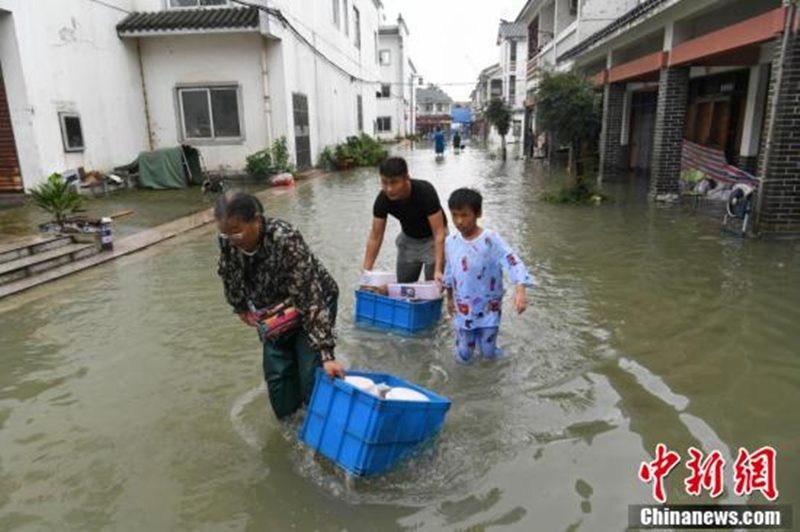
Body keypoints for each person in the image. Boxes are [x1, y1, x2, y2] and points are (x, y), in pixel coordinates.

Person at [215, 191, 344, 420]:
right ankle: (292, 432)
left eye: (237, 231)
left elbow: (310, 296)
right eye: (225, 234)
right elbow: (228, 271)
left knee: (310, 375)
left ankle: (321, 426)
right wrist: (240, 306)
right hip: (273, 313)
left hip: (310, 304)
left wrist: (326, 353)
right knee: (279, 382)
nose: (232, 239)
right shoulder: (227, 240)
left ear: (256, 219)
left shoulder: (284, 237)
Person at [443, 188, 534, 363]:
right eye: (454, 215)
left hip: (488, 307)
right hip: (463, 307)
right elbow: (450, 270)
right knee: (464, 353)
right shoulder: (451, 242)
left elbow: (513, 261)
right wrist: (449, 299)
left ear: (478, 214)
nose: (459, 221)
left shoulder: (490, 240)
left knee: (488, 352)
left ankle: (496, 373)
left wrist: (520, 291)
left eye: (465, 215)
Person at [363, 156, 447, 284]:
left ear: (407, 178)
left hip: (433, 240)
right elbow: (376, 235)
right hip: (409, 240)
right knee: (402, 288)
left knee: (434, 286)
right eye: (384, 182)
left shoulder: (425, 191)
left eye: (394, 182)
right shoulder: (383, 200)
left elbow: (439, 232)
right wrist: (366, 273)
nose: (389, 189)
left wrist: (438, 270)